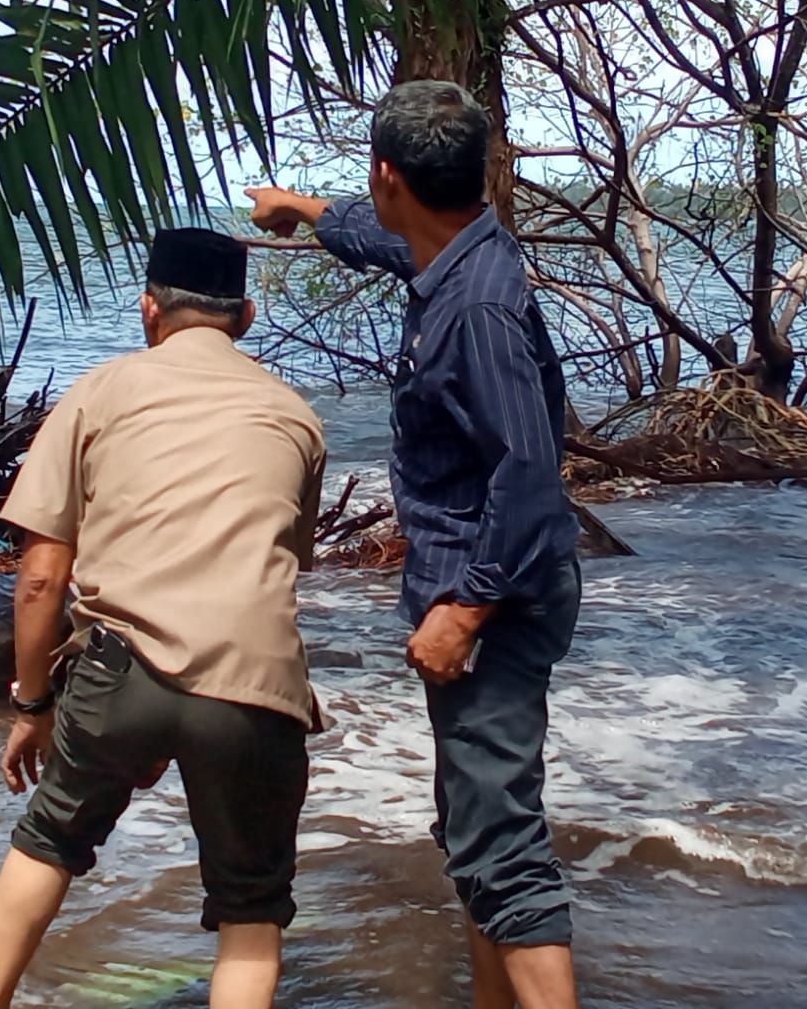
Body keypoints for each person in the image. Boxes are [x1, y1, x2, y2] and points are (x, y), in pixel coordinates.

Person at [249, 79, 583, 1009]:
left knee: (500, 844)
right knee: (473, 830)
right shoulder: (456, 247)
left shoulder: (475, 306)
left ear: (388, 171)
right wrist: (306, 210)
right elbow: (382, 236)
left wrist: (464, 610)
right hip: (489, 585)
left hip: (495, 597)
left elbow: (528, 471)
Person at [0, 228, 327, 1009]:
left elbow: (39, 580)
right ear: (248, 316)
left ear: (148, 310)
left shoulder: (101, 390)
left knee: (52, 837)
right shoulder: (295, 414)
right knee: (251, 907)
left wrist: (31, 704)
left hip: (118, 667)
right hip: (255, 683)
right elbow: (281, 566)